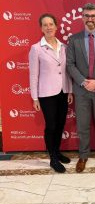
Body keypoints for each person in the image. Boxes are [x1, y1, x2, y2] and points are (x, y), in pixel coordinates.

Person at [66, 2, 95, 173]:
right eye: (87, 15)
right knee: (83, 125)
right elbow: (70, 65)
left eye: (93, 16)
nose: (90, 19)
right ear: (82, 18)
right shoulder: (73, 39)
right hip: (81, 91)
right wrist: (84, 82)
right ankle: (83, 155)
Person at [29, 13, 73, 173]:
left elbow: (67, 71)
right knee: (51, 125)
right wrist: (34, 97)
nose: (48, 27)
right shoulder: (36, 48)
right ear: (41, 28)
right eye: (45, 25)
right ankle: (52, 158)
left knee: (61, 124)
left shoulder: (64, 47)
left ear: (56, 26)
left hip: (63, 91)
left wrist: (69, 90)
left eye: (51, 24)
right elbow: (33, 74)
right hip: (46, 93)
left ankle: (57, 151)